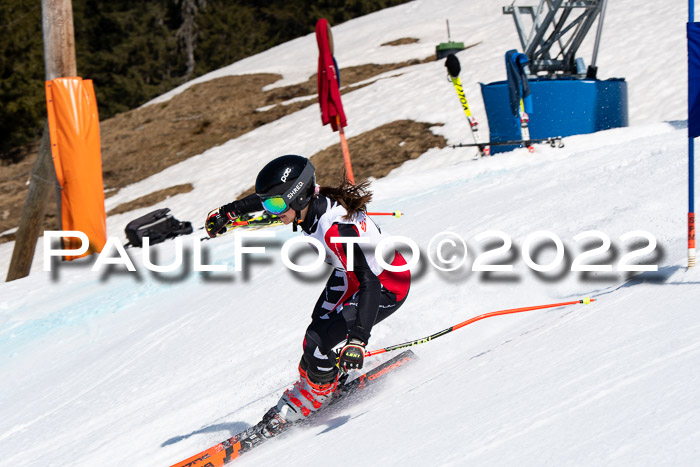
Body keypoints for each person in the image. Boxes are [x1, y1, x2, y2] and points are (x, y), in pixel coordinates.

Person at [205, 154, 411, 435]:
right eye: (268, 203)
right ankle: (327, 377)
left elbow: (370, 284)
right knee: (317, 327)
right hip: (350, 275)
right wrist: (228, 212)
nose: (270, 211)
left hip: (385, 285)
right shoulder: (310, 202)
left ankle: (314, 395)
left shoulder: (336, 230)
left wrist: (358, 340)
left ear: (298, 197)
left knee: (317, 341)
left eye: (276, 205)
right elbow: (267, 198)